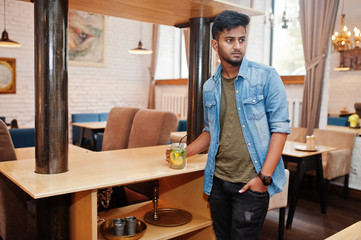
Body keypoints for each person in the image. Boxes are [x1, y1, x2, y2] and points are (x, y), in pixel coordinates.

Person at [167, 10, 290, 239]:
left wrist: (264, 179)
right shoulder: (209, 87)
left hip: (251, 184)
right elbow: (211, 131)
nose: (237, 46)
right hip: (218, 182)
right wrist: (186, 150)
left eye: (241, 40)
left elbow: (280, 129)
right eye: (229, 40)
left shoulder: (266, 76)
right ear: (215, 44)